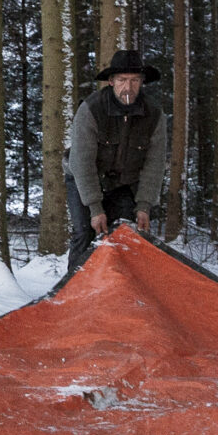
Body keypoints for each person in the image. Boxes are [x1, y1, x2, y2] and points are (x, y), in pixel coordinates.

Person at [64, 48, 170, 274]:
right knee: (85, 232)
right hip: (84, 178)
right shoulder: (91, 109)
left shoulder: (154, 114)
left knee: (124, 232)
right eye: (122, 80)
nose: (128, 87)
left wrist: (144, 205)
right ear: (111, 81)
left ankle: (117, 293)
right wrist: (95, 207)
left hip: (124, 183)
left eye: (134, 80)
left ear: (142, 82)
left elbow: (155, 163)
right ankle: (73, 294)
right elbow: (82, 162)